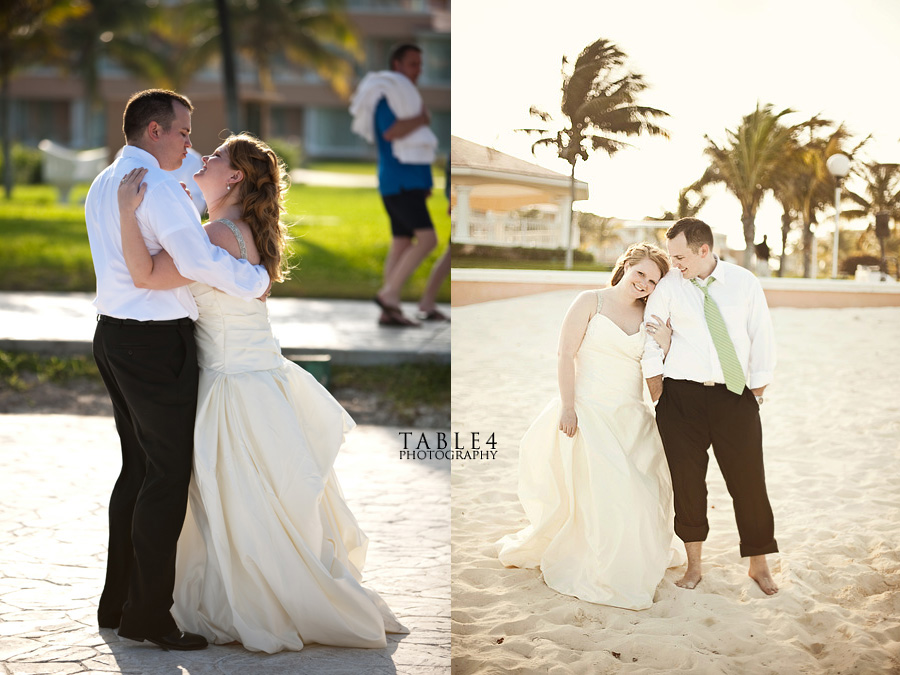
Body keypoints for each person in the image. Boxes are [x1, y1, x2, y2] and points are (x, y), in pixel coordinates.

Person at [117, 132, 406, 652]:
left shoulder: (216, 236)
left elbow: (145, 275)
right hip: (255, 375)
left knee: (239, 497)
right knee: (255, 496)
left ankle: (260, 598)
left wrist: (124, 213)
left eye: (217, 156)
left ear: (234, 178)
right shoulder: (235, 229)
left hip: (231, 384)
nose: (203, 156)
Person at [85, 89, 270, 651]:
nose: (193, 144)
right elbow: (193, 261)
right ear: (155, 131)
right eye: (184, 132)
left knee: (137, 471)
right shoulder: (159, 188)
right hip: (154, 346)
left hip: (113, 337)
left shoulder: (108, 179)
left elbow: (204, 169)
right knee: (165, 478)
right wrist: (254, 282)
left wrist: (202, 162)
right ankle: (148, 617)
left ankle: (117, 604)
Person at [497, 243, 683, 610]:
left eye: (653, 280)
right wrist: (568, 407)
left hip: (633, 418)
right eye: (640, 273)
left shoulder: (651, 314)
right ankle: (605, 569)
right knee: (610, 493)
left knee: (644, 495)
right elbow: (565, 355)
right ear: (626, 265)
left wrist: (667, 341)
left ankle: (634, 561)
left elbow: (661, 369)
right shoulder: (590, 302)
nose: (644, 283)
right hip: (589, 412)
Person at [642, 218, 779, 595]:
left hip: (735, 396)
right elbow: (650, 336)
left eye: (680, 256)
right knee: (688, 485)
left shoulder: (744, 283)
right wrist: (658, 391)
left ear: (704, 250)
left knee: (749, 482)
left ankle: (759, 564)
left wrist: (757, 391)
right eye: (671, 256)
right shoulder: (670, 286)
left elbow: (761, 336)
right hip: (680, 398)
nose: (674, 264)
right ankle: (694, 566)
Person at [349, 43, 442, 327]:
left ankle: (388, 311)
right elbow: (391, 132)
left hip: (407, 183)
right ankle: (388, 295)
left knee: (402, 241)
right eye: (413, 63)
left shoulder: (404, 98)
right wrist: (422, 119)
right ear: (397, 66)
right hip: (400, 183)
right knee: (428, 240)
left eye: (420, 64)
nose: (418, 70)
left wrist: (425, 181)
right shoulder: (387, 98)